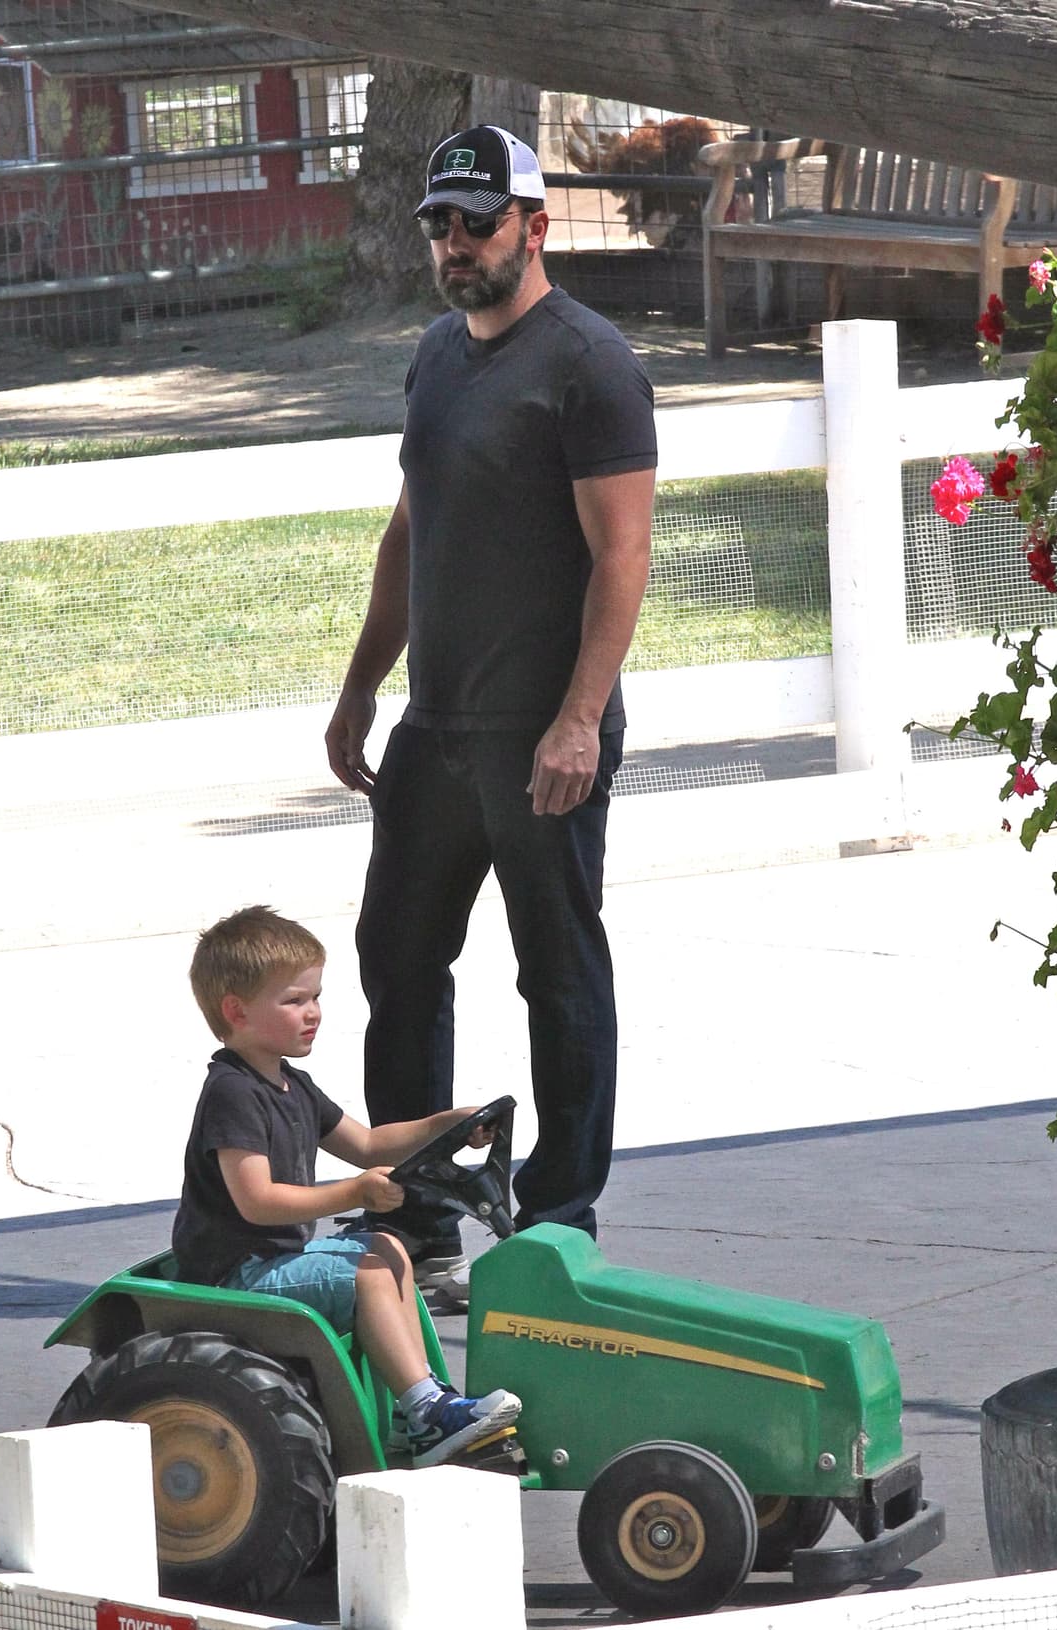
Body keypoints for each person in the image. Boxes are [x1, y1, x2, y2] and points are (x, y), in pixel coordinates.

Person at [324, 125, 658, 1300]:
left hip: (541, 736)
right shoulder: (432, 356)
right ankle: (420, 1221)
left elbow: (622, 555)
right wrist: (364, 682)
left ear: (535, 225)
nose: (455, 244)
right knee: (397, 965)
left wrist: (578, 719)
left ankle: (556, 1225)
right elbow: (409, 533)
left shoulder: (590, 364)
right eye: (438, 225)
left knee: (556, 974)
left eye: (477, 221)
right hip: (436, 728)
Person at [171, 903, 521, 1467]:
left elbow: (368, 1143)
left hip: (275, 1259)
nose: (312, 1013)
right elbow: (257, 1201)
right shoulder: (233, 1093)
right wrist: (354, 1194)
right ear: (236, 1011)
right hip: (237, 1276)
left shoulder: (292, 1085)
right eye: (294, 1001)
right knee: (367, 1272)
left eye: (316, 997)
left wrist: (451, 1123)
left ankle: (421, 1408)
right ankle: (429, 1411)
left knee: (390, 1249)